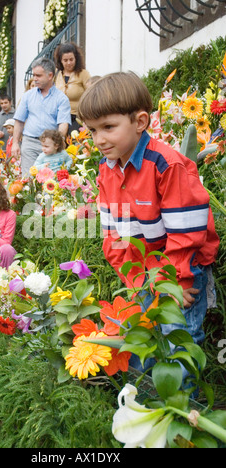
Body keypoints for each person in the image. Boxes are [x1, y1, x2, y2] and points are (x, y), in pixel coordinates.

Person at [77, 71, 220, 352]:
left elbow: (186, 234)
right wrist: (132, 277)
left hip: (182, 268)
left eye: (108, 127)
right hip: (142, 269)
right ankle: (144, 394)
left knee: (177, 337)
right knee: (142, 337)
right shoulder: (107, 170)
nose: (99, 139)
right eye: (93, 130)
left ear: (140, 122)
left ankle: (180, 395)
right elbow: (113, 233)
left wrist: (176, 281)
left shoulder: (166, 166)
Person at [12, 57, 71, 176]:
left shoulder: (61, 98)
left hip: (51, 146)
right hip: (30, 143)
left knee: (50, 180)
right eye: (34, 75)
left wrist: (56, 145)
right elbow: (19, 121)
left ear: (50, 76)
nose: (35, 79)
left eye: (38, 75)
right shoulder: (28, 96)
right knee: (28, 179)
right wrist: (15, 143)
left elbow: (63, 124)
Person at [54, 42, 91, 133]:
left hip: (76, 119)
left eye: (71, 59)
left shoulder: (83, 74)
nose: (69, 63)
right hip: (59, 117)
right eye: (65, 60)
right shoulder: (56, 74)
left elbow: (91, 94)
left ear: (76, 59)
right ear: (60, 61)